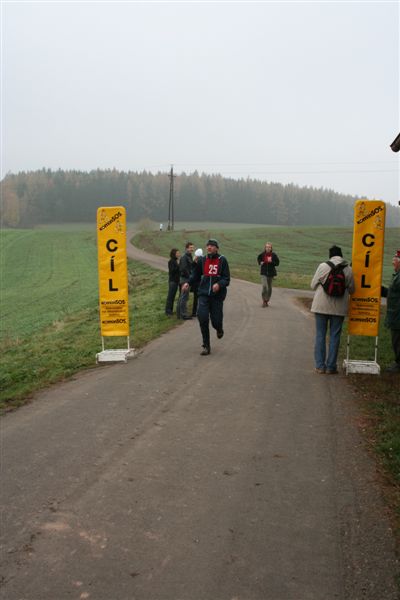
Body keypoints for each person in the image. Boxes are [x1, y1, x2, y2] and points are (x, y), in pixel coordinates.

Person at [310, 245, 355, 374]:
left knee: (320, 335)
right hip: (339, 308)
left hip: (321, 306)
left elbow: (312, 285)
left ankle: (320, 366)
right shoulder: (348, 269)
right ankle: (331, 367)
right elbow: (352, 290)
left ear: (330, 255)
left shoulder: (323, 266)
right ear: (341, 255)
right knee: (335, 336)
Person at [182, 239, 230, 355]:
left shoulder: (222, 260)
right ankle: (206, 345)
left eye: (212, 246)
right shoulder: (202, 260)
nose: (209, 247)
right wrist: (188, 283)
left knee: (216, 321)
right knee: (202, 318)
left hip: (217, 296)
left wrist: (219, 284)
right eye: (208, 245)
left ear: (216, 248)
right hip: (203, 294)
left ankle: (219, 328)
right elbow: (195, 274)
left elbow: (226, 278)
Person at [381, 250, 400, 373]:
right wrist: (381, 290)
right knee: (396, 339)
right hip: (396, 313)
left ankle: (398, 364)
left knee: (397, 340)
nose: (393, 262)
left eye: (395, 260)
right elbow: (393, 293)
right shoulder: (397, 275)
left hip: (398, 314)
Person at [257, 242, 280, 306]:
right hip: (263, 273)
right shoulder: (262, 254)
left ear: (271, 248)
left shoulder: (274, 255)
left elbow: (277, 263)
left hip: (271, 273)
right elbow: (258, 258)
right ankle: (264, 300)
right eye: (267, 247)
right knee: (264, 286)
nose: (268, 248)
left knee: (269, 288)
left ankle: (267, 300)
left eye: (269, 247)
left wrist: (271, 262)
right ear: (265, 248)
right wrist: (260, 262)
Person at [178, 241, 195, 320]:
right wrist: (190, 277)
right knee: (184, 297)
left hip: (186, 279)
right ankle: (183, 315)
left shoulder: (189, 256)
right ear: (186, 248)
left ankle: (180, 314)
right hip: (185, 279)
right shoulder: (185, 257)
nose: (192, 249)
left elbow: (190, 267)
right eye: (190, 248)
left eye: (192, 248)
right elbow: (184, 269)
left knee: (183, 296)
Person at [165, 248, 181, 316]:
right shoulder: (171, 261)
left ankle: (170, 310)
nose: (179, 254)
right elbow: (172, 271)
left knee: (173, 296)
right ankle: (168, 311)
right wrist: (178, 266)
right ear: (174, 254)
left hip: (176, 281)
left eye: (179, 253)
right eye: (177, 253)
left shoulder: (176, 261)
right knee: (171, 296)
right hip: (172, 281)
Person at [191, 248, 203, 317]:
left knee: (196, 298)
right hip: (198, 282)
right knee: (198, 298)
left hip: (196, 283)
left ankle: (195, 312)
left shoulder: (196, 263)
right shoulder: (201, 262)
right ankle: (196, 312)